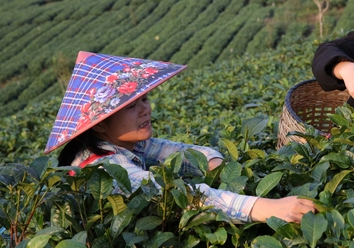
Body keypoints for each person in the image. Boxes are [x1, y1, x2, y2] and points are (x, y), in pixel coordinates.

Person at [45, 51, 316, 224]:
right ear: (100, 126)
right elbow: (174, 195)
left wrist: (214, 163)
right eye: (131, 106)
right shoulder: (103, 168)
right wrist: (262, 206)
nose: (145, 109)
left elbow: (179, 153)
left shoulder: (128, 142)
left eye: (145, 99)